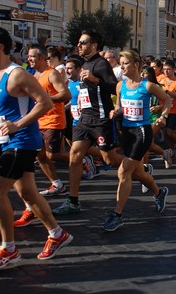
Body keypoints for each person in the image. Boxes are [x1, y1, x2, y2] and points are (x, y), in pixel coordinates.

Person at [0, 27, 72, 270]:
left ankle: (9, 250)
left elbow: (45, 102)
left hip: (22, 141)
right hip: (2, 137)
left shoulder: (17, 75)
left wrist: (17, 125)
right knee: (24, 190)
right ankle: (57, 234)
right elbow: (1, 107)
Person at [53, 30, 122, 215]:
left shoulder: (101, 64)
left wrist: (95, 80)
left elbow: (115, 88)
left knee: (110, 159)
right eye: (79, 42)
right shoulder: (83, 63)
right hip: (84, 119)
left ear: (94, 45)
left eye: (83, 42)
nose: (79, 45)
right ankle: (73, 200)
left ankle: (141, 170)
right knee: (74, 155)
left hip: (100, 119)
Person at [101, 50, 170, 231]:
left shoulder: (147, 86)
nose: (121, 66)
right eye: (121, 63)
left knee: (123, 172)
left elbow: (167, 100)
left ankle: (117, 215)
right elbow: (119, 106)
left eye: (125, 63)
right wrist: (115, 111)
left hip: (142, 132)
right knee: (137, 173)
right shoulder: (120, 86)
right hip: (127, 132)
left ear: (135, 64)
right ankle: (159, 192)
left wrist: (163, 116)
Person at [28, 44, 72, 200]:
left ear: (41, 58)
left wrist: (46, 99)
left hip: (53, 119)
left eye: (32, 56)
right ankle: (57, 184)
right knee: (39, 155)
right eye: (28, 56)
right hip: (38, 120)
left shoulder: (51, 74)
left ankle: (81, 159)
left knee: (52, 155)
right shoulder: (34, 76)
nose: (29, 59)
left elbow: (66, 94)